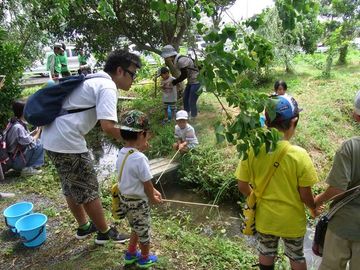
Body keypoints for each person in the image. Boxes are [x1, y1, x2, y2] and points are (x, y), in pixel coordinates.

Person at [42, 49, 141, 244]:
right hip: (66, 140)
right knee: (88, 188)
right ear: (120, 71)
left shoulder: (93, 79)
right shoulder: (107, 86)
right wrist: (134, 141)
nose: (133, 79)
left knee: (70, 185)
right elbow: (108, 127)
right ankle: (104, 233)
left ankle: (84, 226)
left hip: (51, 137)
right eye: (133, 74)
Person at [235, 95, 319, 270]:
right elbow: (305, 196)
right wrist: (314, 207)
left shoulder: (253, 149)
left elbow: (242, 185)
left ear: (267, 121)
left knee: (266, 252)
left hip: (265, 219)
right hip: (292, 221)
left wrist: (256, 196)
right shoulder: (299, 155)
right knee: (296, 256)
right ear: (294, 121)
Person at [315, 91, 360, 270]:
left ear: (356, 116)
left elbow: (338, 189)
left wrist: (317, 201)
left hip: (343, 224)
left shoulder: (350, 147)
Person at [115, 110, 162, 268]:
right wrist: (153, 197)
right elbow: (147, 184)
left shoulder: (122, 153)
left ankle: (130, 253)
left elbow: (134, 176)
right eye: (147, 135)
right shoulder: (140, 158)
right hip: (138, 204)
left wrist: (152, 191)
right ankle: (144, 258)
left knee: (135, 226)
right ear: (142, 134)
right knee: (144, 232)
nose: (148, 138)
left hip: (125, 200)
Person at [161, 45, 201, 119]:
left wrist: (174, 82)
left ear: (170, 55)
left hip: (197, 81)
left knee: (191, 100)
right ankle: (186, 116)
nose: (165, 58)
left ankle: (193, 116)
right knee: (185, 99)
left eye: (166, 57)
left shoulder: (181, 60)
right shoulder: (177, 60)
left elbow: (184, 75)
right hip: (191, 81)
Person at [5, 100, 44, 175]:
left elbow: (24, 137)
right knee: (39, 144)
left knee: (36, 142)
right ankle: (26, 169)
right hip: (15, 161)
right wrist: (39, 130)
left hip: (11, 158)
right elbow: (31, 142)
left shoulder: (13, 122)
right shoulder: (18, 127)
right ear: (23, 112)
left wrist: (34, 132)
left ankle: (27, 166)